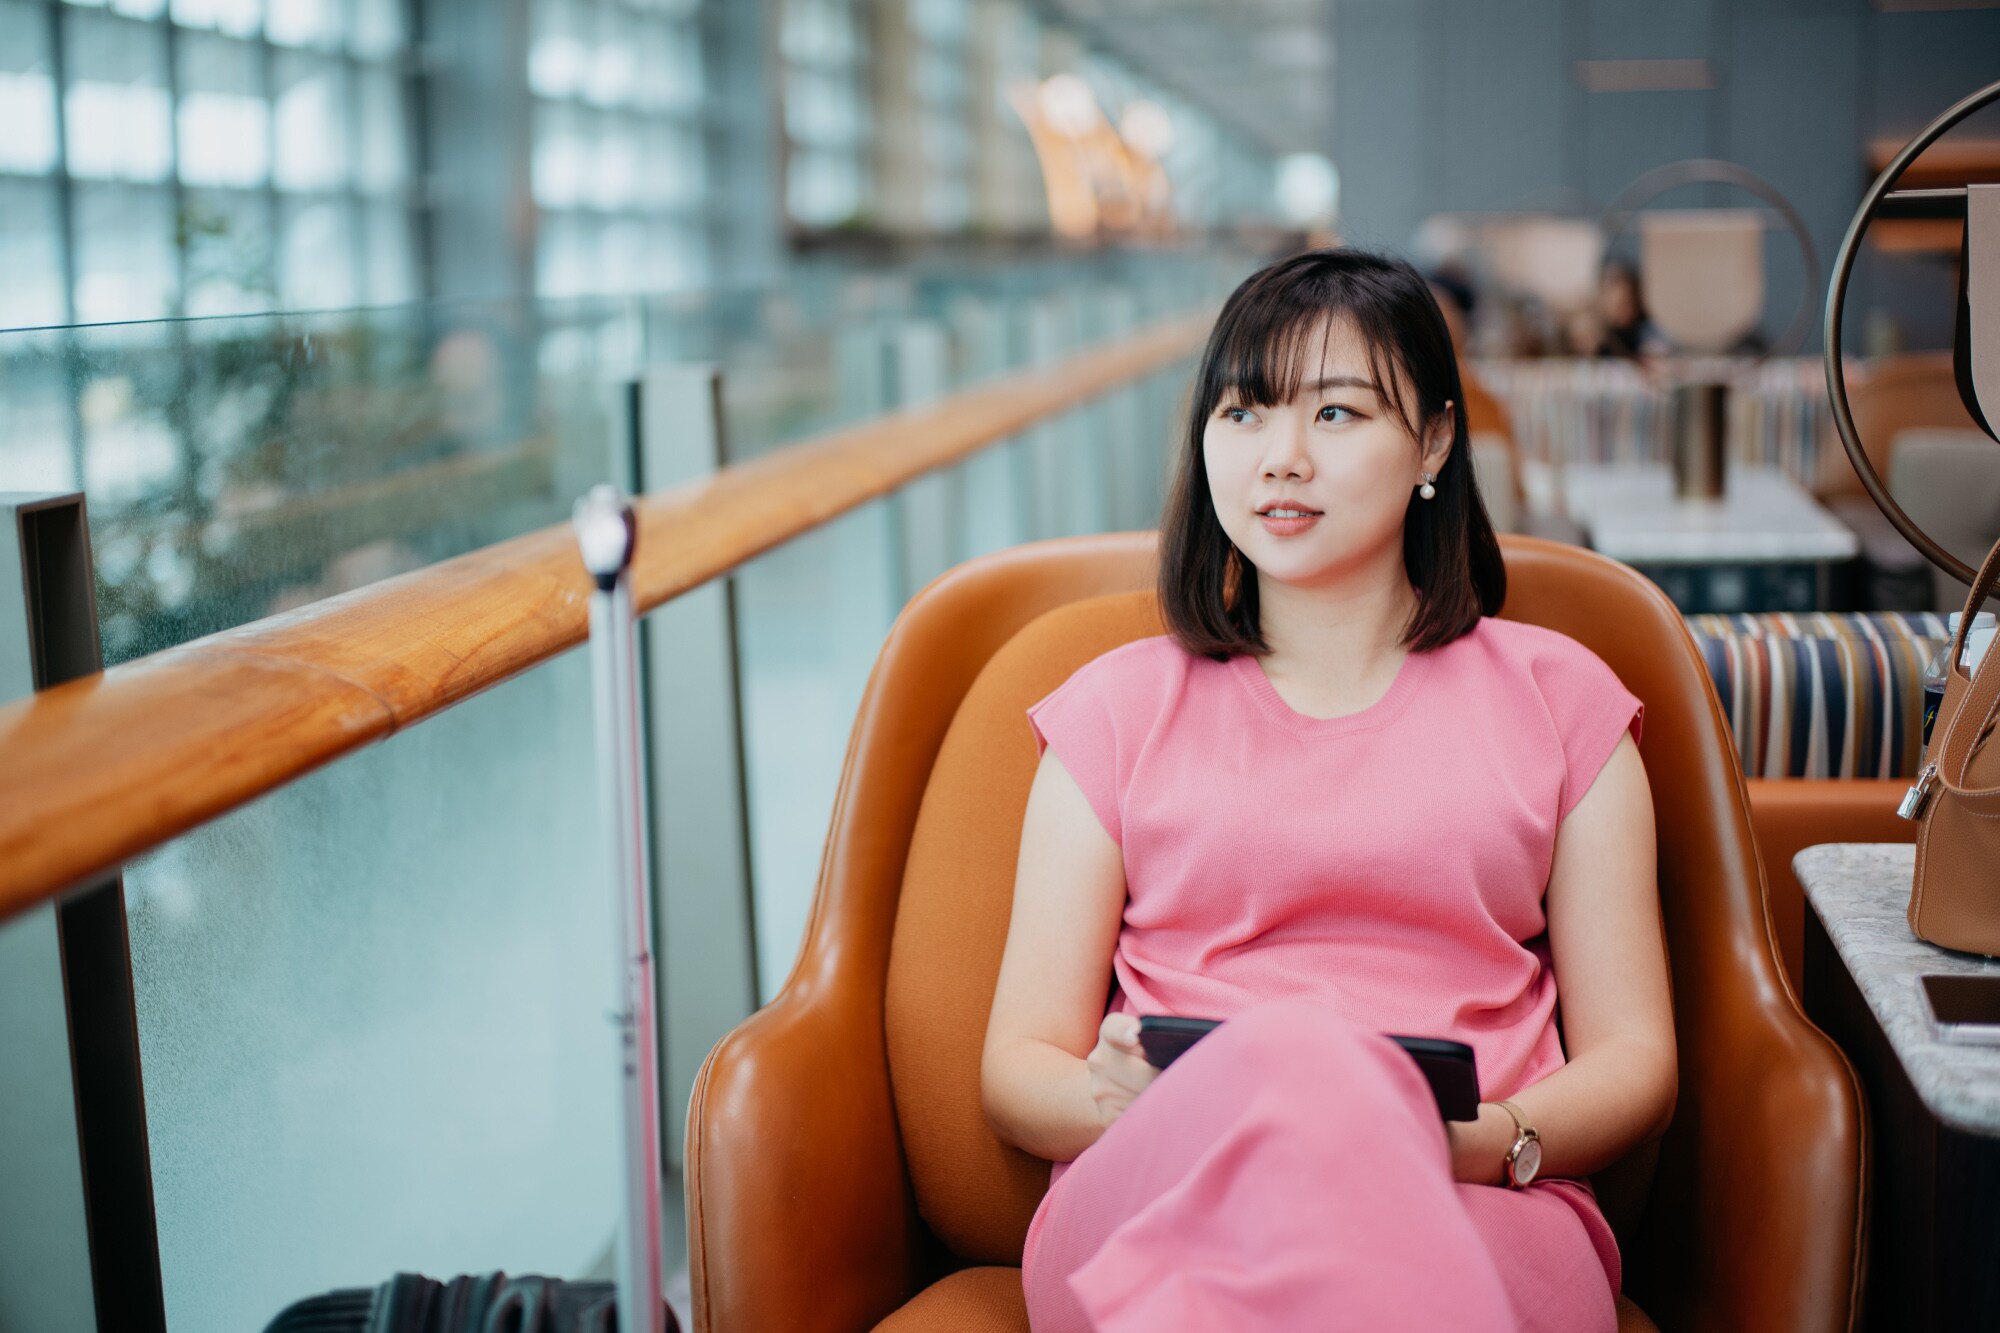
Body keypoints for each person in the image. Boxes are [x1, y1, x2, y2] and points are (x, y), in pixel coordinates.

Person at [980, 248, 1675, 1332]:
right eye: (1242, 413)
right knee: (1289, 1066)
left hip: (1471, 1192)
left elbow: (1636, 1056)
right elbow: (1015, 1067)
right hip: (1172, 1183)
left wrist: (1486, 1140)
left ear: (1433, 440)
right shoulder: (1112, 711)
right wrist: (1119, 1099)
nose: (1281, 459)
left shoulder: (1561, 701)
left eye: (1337, 414)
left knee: (1314, 1107)